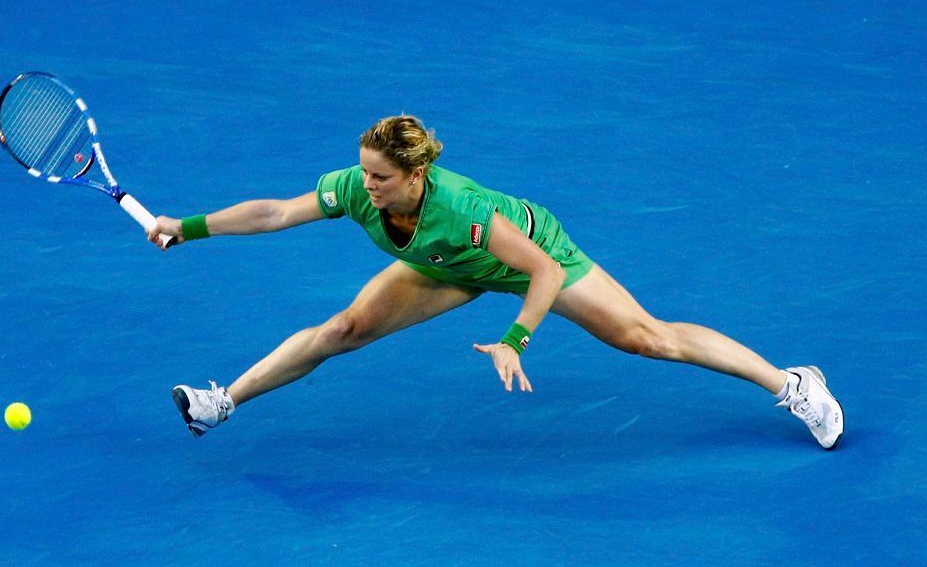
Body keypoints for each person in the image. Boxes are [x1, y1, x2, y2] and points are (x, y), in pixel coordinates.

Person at [149, 115, 844, 449]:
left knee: (647, 338)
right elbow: (274, 211)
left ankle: (792, 383)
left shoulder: (463, 208)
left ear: (416, 176)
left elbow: (539, 271)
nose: (366, 185)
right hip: (443, 265)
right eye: (363, 171)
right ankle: (223, 401)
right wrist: (188, 224)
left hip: (528, 252)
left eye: (380, 177)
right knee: (344, 328)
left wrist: (516, 337)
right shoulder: (357, 188)